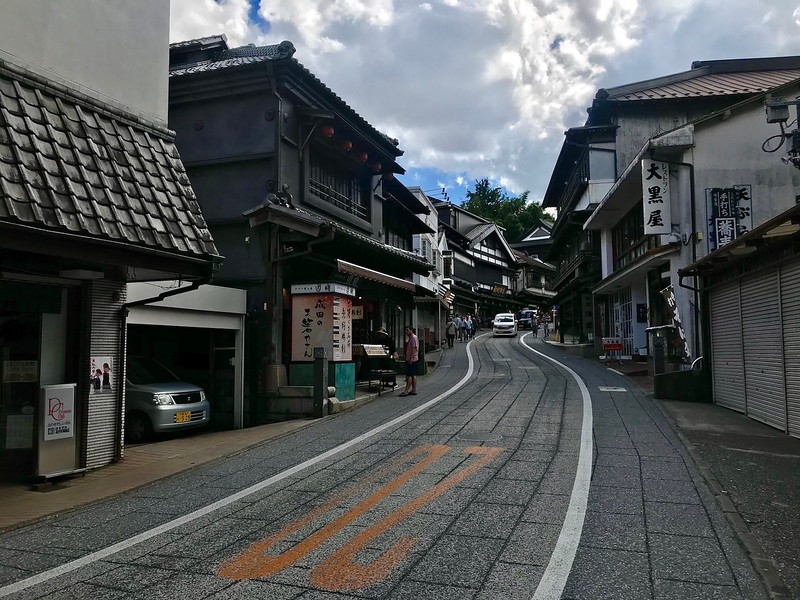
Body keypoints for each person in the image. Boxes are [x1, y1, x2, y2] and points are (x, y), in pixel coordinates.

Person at [399, 325, 419, 397]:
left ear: (411, 330)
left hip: (412, 359)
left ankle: (406, 390)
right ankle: (413, 389)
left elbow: (414, 348)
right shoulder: (412, 338)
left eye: (407, 330)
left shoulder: (413, 338)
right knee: (413, 375)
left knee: (410, 375)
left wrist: (410, 358)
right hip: (413, 358)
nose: (406, 332)